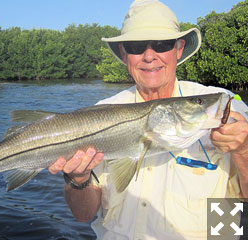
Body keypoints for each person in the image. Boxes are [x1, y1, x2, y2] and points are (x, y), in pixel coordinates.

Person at [49, 0, 248, 239]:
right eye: (136, 46)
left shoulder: (224, 106)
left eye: (162, 44)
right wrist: (78, 179)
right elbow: (84, 215)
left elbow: (239, 206)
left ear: (179, 48)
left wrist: (244, 150)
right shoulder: (100, 115)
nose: (149, 56)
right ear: (124, 54)